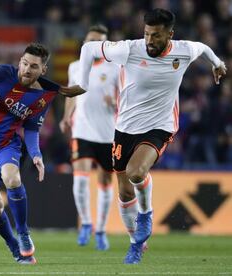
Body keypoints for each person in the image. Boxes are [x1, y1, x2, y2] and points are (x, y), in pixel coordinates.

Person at [77, 8, 227, 264]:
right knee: (124, 191)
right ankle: (136, 242)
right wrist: (83, 85)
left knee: (136, 172)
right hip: (125, 126)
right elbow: (89, 50)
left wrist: (218, 63)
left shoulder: (183, 50)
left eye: (156, 36)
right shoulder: (129, 49)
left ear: (170, 34)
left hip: (161, 125)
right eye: (147, 34)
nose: (149, 41)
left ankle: (146, 213)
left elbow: (202, 47)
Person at [0, 43, 84, 264]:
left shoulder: (43, 96)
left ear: (43, 70)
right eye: (24, 63)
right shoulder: (3, 73)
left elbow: (32, 127)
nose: (26, 69)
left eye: (33, 66)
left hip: (6, 145)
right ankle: (13, 246)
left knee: (12, 178)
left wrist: (36, 154)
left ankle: (24, 234)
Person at [60, 24, 120, 250]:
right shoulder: (75, 67)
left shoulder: (115, 67)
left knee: (105, 181)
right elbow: (71, 94)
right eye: (91, 40)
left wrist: (114, 103)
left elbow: (125, 98)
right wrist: (67, 116)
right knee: (81, 175)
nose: (93, 44)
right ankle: (86, 223)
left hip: (108, 132)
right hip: (82, 129)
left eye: (99, 41)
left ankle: (101, 229)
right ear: (85, 43)